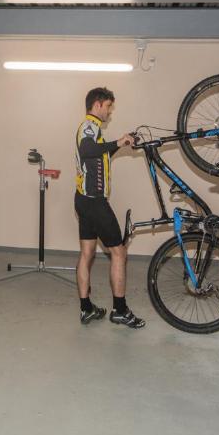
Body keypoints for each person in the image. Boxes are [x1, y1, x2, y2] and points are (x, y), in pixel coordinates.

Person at [74, 87, 145, 328]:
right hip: (94, 202)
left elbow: (97, 154)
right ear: (97, 104)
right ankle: (120, 310)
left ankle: (86, 309)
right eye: (108, 106)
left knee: (87, 253)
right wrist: (116, 141)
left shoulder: (93, 129)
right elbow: (87, 150)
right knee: (119, 252)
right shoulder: (89, 126)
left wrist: (119, 144)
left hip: (83, 200)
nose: (110, 112)